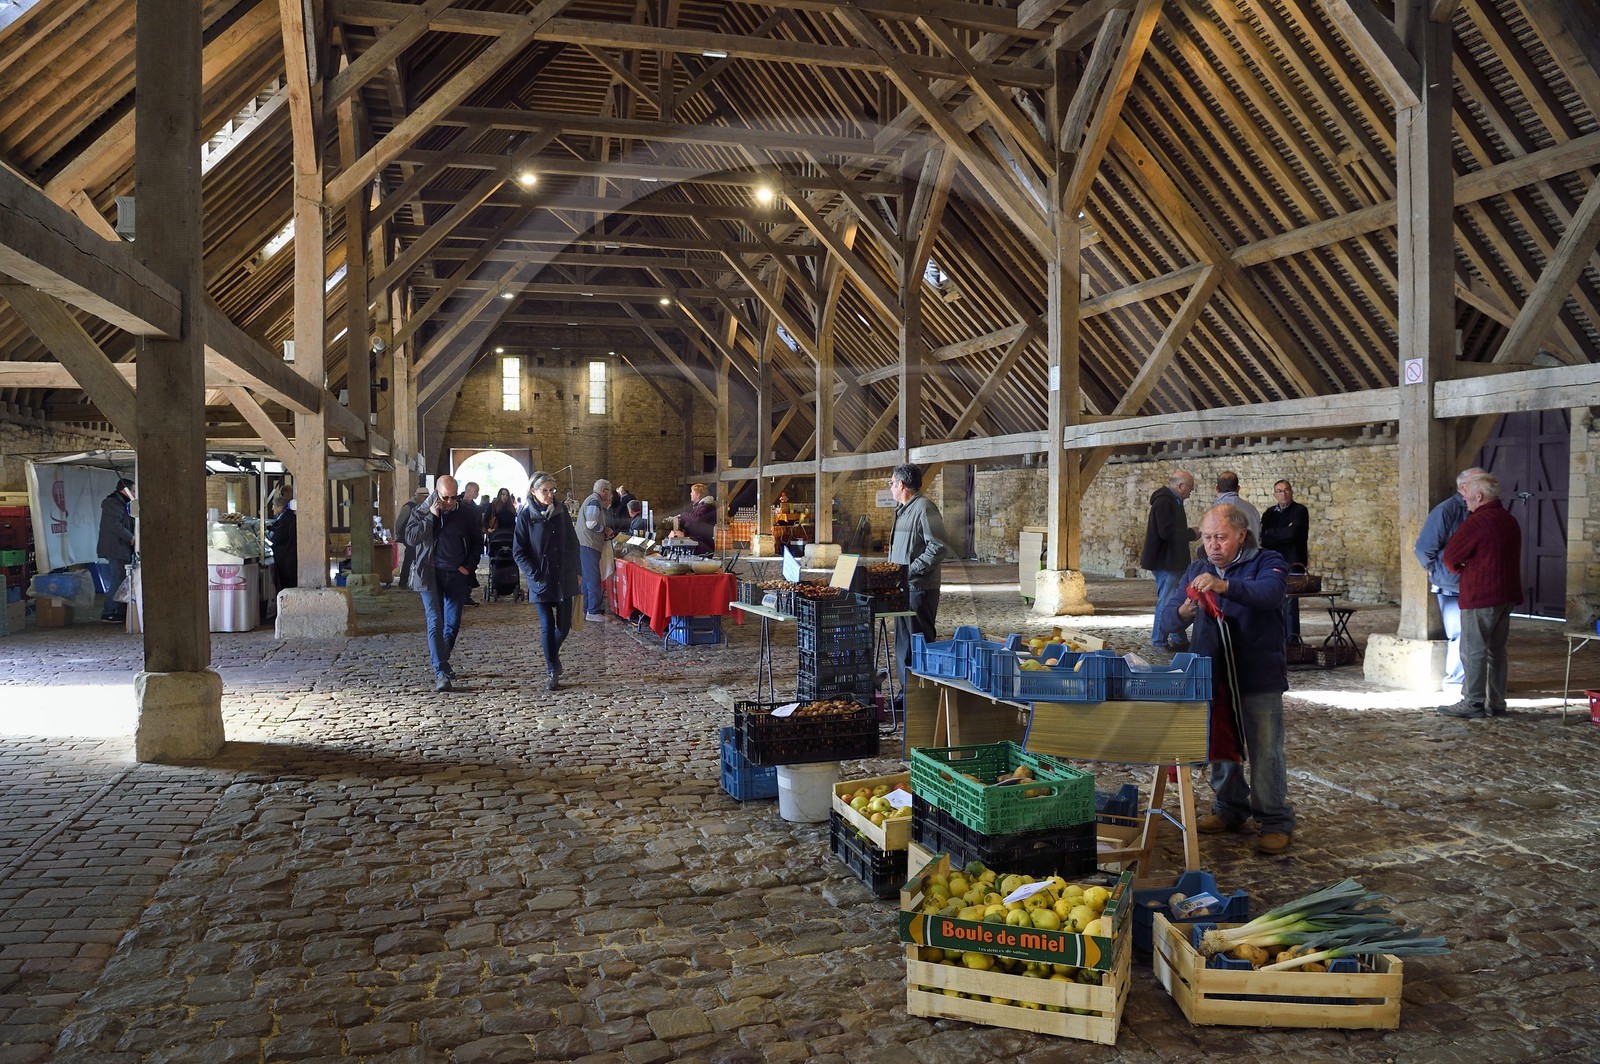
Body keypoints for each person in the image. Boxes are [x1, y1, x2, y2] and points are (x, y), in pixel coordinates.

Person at [1162, 504, 1294, 854]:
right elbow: (1167, 620)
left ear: (1241, 535)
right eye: (1207, 537)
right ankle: (1231, 808)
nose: (1213, 545)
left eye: (1220, 537)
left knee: (1265, 751)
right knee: (1221, 748)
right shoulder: (1197, 568)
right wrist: (1183, 611)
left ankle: (1275, 820)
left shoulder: (1268, 561)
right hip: (1213, 676)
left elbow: (1269, 594)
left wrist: (1224, 586)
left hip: (1258, 674)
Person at [1437, 472, 1522, 720]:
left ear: (1479, 495)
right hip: (1505, 594)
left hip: (1481, 595)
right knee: (1497, 651)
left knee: (1472, 650)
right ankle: (1497, 703)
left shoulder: (1478, 521)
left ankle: (1472, 702)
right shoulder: (1509, 520)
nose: (1464, 500)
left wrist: (1462, 568)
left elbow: (1451, 556)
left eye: (1467, 495)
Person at [1414, 467, 1486, 699]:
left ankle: (1474, 682)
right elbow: (1425, 548)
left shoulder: (1481, 511)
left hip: (1476, 584)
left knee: (1475, 635)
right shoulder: (1446, 510)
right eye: (1479, 482)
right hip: (1452, 585)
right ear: (1464, 487)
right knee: (1458, 634)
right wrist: (1437, 571)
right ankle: (1455, 682)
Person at [403, 475, 480, 692]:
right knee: (435, 622)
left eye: (454, 498)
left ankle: (442, 661)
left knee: (452, 624)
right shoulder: (421, 511)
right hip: (429, 574)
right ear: (436, 493)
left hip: (455, 574)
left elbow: (476, 542)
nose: (449, 502)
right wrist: (431, 518)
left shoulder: (465, 513)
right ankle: (441, 672)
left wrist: (468, 566)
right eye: (445, 498)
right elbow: (410, 538)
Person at [514, 471, 581, 691]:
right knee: (547, 625)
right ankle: (553, 669)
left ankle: (551, 653)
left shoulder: (561, 513)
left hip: (564, 576)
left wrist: (577, 570)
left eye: (552, 490)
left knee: (564, 627)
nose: (550, 494)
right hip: (540, 579)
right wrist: (534, 574)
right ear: (534, 491)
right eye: (545, 490)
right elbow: (519, 551)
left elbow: (572, 543)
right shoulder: (525, 515)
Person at [888, 464, 949, 697]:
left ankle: (924, 696)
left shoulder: (924, 508)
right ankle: (908, 694)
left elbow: (938, 546)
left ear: (901, 485)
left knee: (919, 643)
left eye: (892, 483)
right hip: (902, 588)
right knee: (903, 644)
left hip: (919, 589)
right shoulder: (903, 510)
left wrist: (911, 571)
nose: (891, 487)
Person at [1139, 470, 1197, 649]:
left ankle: (1179, 639)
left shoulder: (1174, 500)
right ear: (1180, 486)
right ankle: (1159, 640)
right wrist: (1191, 534)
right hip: (1166, 562)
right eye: (1190, 487)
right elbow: (1166, 532)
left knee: (1175, 600)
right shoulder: (1165, 501)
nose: (1191, 491)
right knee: (1166, 601)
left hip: (1172, 560)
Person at [1259, 480, 1309, 642]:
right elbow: (1263, 538)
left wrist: (1271, 533)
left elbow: (1293, 534)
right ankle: (1277, 638)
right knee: (1274, 602)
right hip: (1273, 563)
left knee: (1290, 605)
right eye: (1279, 491)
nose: (1283, 493)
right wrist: (1281, 533)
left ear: (1291, 492)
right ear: (1275, 495)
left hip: (1293, 562)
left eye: (1286, 490)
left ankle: (1292, 641)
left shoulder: (1300, 511)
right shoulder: (1269, 513)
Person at [97, 477, 136, 624]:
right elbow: (114, 524)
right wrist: (130, 537)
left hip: (122, 547)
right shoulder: (113, 503)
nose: (134, 493)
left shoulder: (124, 503)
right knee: (118, 579)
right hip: (115, 547)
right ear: (125, 490)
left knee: (122, 579)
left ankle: (120, 611)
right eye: (133, 490)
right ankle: (109, 611)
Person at [577, 479, 615, 621]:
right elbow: (591, 523)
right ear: (603, 490)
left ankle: (586, 608)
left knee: (587, 578)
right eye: (609, 491)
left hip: (585, 544)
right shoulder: (594, 501)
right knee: (593, 577)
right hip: (590, 544)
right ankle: (593, 611)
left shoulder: (591, 500)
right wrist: (605, 529)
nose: (610, 495)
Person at [1214, 471, 1261, 548]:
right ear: (1238, 488)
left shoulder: (1215, 511)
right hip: (1254, 556)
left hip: (1229, 557)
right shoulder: (1252, 508)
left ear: (1217, 488)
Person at [671, 483, 717, 556]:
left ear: (698, 494)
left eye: (692, 492)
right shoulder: (700, 506)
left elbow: (696, 518)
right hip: (698, 542)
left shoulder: (706, 506)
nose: (690, 494)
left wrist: (682, 515)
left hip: (703, 545)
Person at [395, 489, 427, 591]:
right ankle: (406, 582)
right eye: (424, 497)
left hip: (419, 537)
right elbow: (399, 523)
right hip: (409, 537)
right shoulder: (408, 507)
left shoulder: (424, 507)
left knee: (411, 558)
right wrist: (400, 535)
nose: (425, 499)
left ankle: (409, 582)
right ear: (418, 496)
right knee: (411, 558)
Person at [459, 481, 485, 606]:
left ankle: (466, 595)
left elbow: (478, 525)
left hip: (472, 543)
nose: (477, 493)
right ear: (468, 490)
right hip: (458, 544)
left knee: (470, 568)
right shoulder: (456, 504)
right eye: (476, 490)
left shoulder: (476, 509)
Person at [267, 494, 297, 593]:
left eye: (274, 506)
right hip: (288, 556)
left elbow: (277, 537)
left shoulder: (286, 518)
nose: (272, 508)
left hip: (287, 558)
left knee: (287, 585)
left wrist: (267, 534)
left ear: (279, 506)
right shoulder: (287, 516)